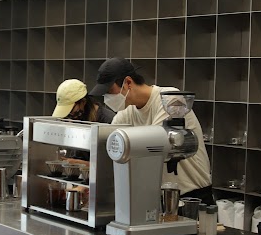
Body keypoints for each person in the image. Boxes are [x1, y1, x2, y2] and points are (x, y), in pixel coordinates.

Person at [90, 58, 213, 204]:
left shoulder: (170, 99)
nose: (107, 98)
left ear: (128, 82)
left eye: (110, 91)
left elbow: (154, 146)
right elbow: (110, 143)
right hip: (161, 196)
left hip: (193, 195)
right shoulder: (127, 111)